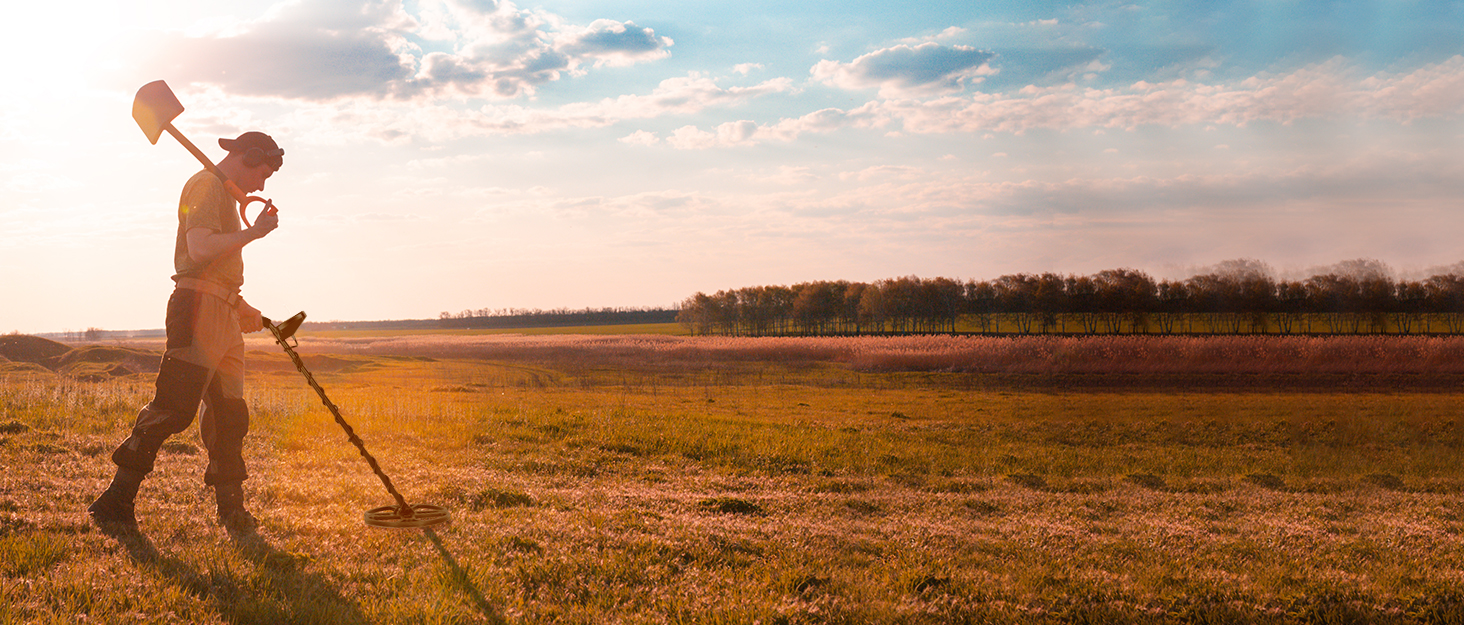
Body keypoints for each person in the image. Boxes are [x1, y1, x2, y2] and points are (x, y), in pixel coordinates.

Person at [89, 132, 283, 534]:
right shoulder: (205, 185)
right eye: (262, 173)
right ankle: (115, 500)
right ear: (248, 157)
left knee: (230, 417)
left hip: (224, 312)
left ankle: (231, 511)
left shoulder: (225, 195)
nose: (262, 186)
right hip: (196, 311)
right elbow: (199, 249)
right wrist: (255, 233)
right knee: (173, 408)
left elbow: (216, 263)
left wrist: (239, 303)